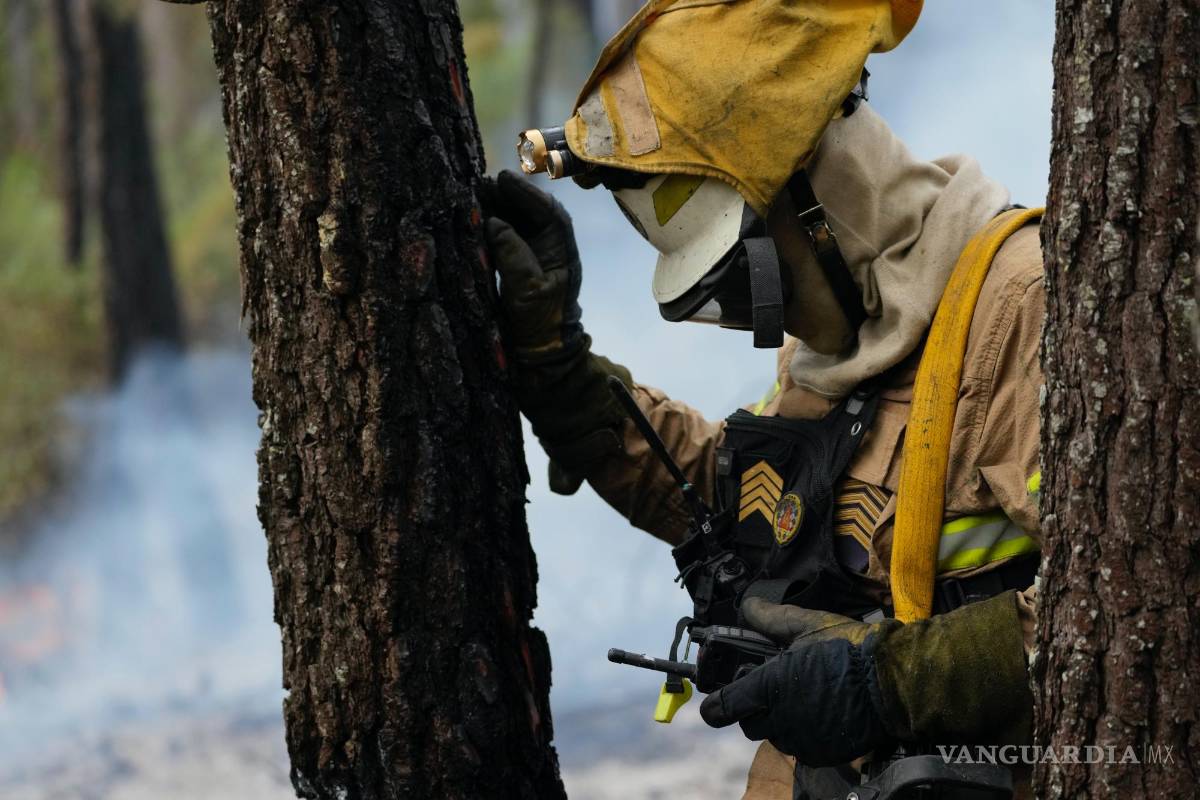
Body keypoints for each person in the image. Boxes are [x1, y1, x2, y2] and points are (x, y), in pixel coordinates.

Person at [483, 1, 1043, 797]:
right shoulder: (842, 337)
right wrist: (560, 371)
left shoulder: (1021, 309)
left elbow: (1137, 607)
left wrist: (891, 686)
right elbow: (754, 505)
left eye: (748, 282)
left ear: (818, 198)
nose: (754, 323)